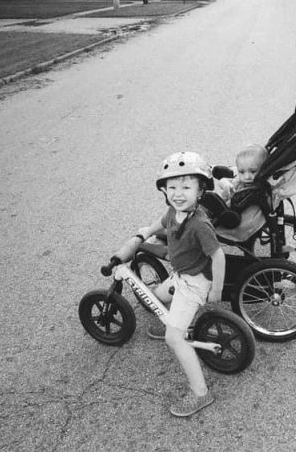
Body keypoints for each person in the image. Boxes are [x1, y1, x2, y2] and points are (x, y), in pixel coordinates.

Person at [109, 151, 225, 417]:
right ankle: (176, 321)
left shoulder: (199, 224)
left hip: (194, 282)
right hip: (181, 274)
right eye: (172, 187)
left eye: (186, 187)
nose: (178, 194)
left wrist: (216, 289)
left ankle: (200, 393)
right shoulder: (175, 212)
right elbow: (160, 223)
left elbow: (218, 256)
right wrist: (145, 232)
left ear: (200, 190)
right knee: (158, 296)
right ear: (164, 190)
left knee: (174, 339)